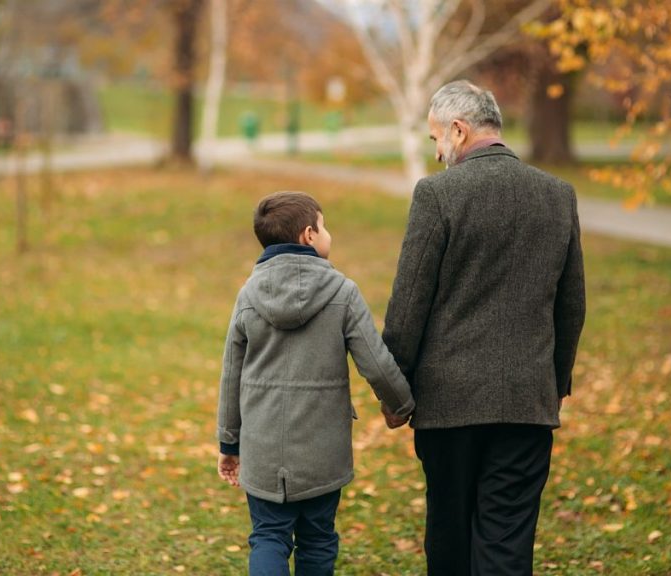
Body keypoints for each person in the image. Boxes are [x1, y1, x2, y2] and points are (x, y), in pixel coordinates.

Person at [382, 80, 586, 575]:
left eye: (436, 140)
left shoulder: (437, 195)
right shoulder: (558, 194)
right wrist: (553, 384)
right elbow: (572, 304)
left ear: (458, 129)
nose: (436, 153)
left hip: (448, 405)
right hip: (526, 403)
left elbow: (409, 305)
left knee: (450, 535)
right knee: (507, 541)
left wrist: (395, 391)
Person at [216, 191, 415, 575]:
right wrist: (401, 405)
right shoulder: (342, 292)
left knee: (269, 535)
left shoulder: (249, 295)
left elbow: (231, 374)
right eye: (325, 226)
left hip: (263, 448)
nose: (328, 233)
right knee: (318, 538)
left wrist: (229, 442)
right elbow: (375, 362)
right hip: (322, 451)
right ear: (309, 235)